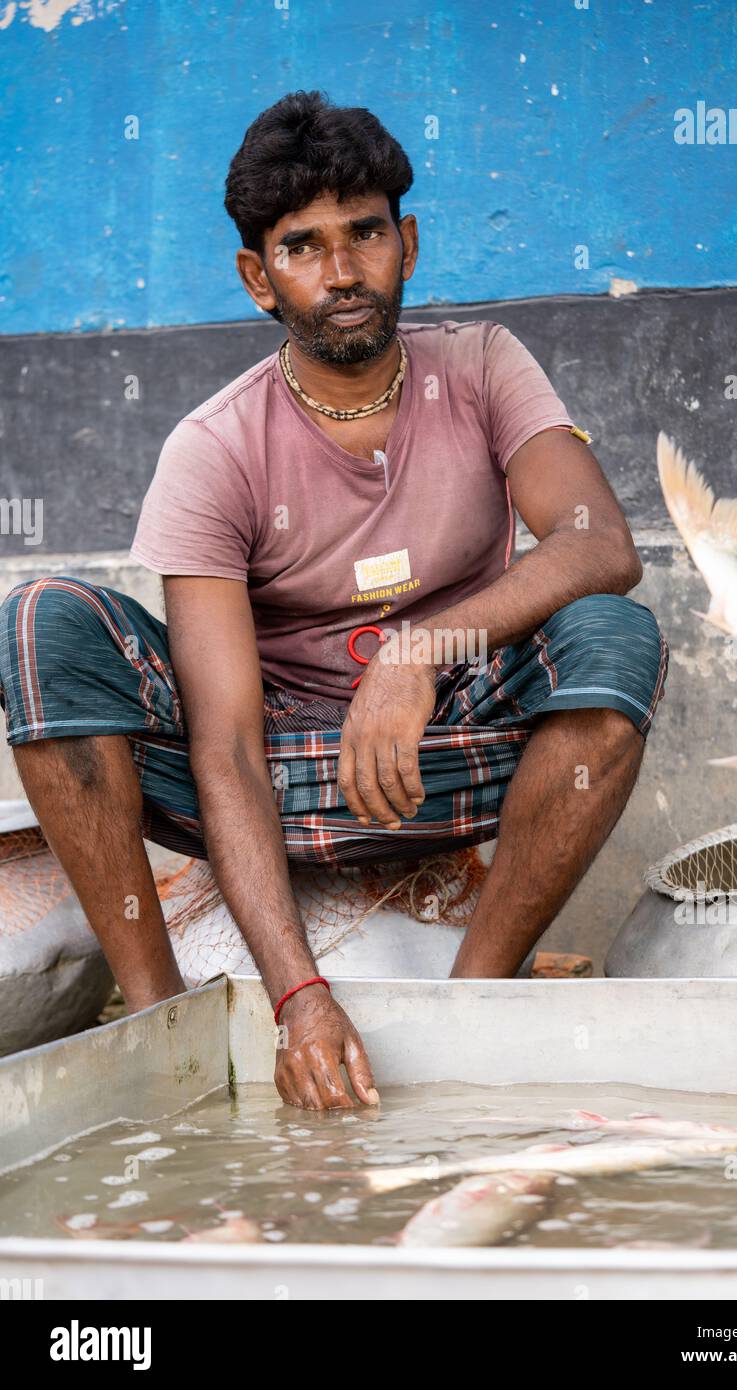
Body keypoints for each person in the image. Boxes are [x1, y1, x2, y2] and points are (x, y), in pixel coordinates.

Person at [0, 91, 668, 1110]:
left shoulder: (484, 366)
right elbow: (221, 746)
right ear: (257, 278)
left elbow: (598, 543)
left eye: (363, 232)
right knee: (43, 620)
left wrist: (418, 654)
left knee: (611, 635)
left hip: (442, 748)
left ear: (405, 241)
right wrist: (299, 996)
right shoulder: (214, 445)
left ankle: (473, 997)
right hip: (271, 768)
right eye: (302, 246)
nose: (342, 270)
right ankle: (156, 1021)